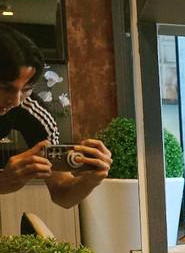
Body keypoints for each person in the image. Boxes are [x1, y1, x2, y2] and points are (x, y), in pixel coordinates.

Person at [0, 25, 111, 207]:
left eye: (26, 89)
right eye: (5, 88)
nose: (16, 101)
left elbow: (62, 194)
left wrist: (92, 179)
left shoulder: (33, 112)